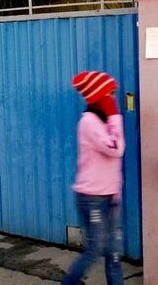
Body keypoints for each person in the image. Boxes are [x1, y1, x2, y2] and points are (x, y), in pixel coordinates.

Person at [63, 71, 126, 285]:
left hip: (109, 196)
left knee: (114, 253)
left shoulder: (104, 121)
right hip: (93, 198)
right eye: (110, 93)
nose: (114, 98)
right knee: (95, 250)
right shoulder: (89, 123)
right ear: (99, 96)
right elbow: (116, 149)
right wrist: (116, 116)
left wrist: (116, 193)